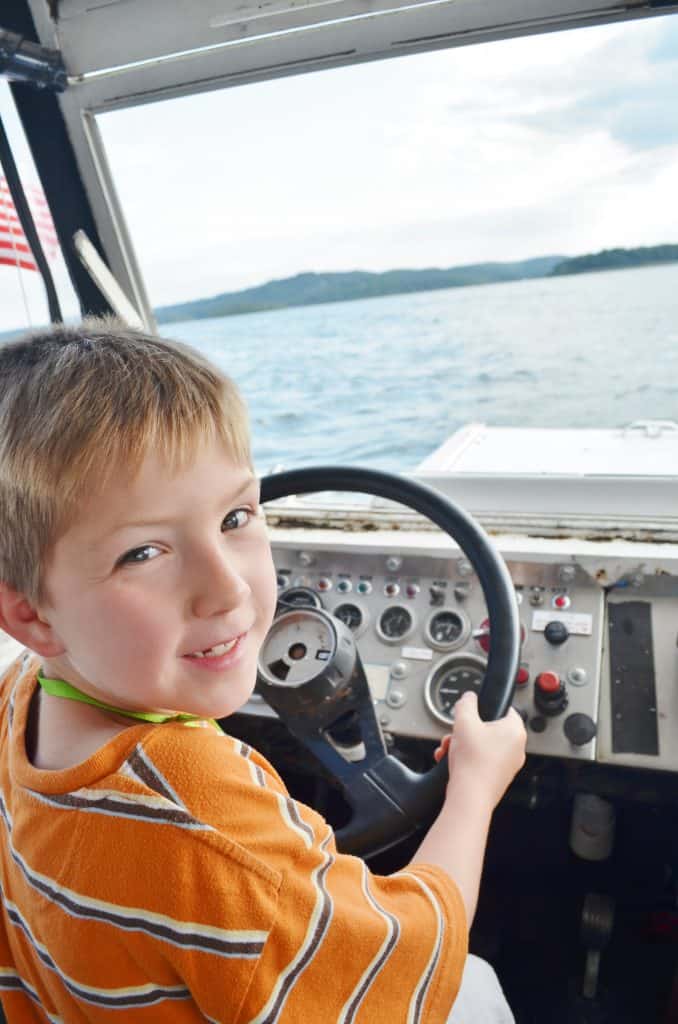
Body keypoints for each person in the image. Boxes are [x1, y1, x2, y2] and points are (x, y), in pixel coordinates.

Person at [0, 321, 526, 1023]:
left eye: (236, 516)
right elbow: (410, 957)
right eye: (143, 554)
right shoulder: (203, 820)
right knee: (477, 984)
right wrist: (476, 785)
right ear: (32, 615)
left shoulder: (18, 697)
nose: (229, 591)